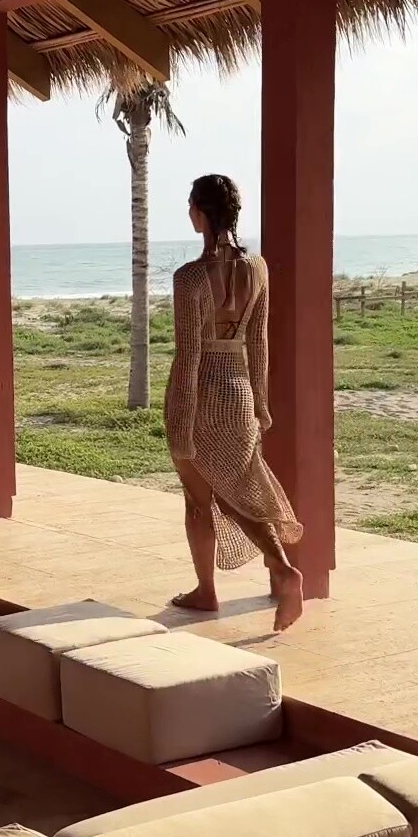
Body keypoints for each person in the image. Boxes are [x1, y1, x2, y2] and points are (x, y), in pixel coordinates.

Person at [164, 174, 304, 633]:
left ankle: (211, 589)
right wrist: (260, 404)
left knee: (199, 500)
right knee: (241, 490)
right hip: (239, 393)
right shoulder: (257, 269)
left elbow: (189, 355)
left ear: (200, 213)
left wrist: (182, 422)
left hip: (199, 396)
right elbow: (258, 344)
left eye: (191, 206)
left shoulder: (189, 278)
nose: (189, 213)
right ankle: (279, 568)